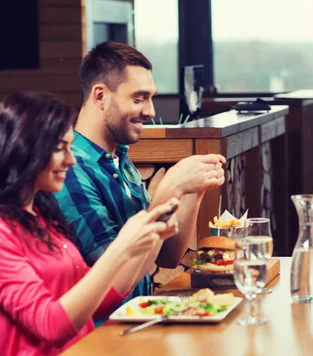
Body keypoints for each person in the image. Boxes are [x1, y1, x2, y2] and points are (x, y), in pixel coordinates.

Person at [0, 92, 179, 355]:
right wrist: (122, 247)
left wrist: (150, 238)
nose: (71, 160)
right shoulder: (4, 234)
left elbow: (100, 302)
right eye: (61, 148)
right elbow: (51, 325)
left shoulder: (42, 215)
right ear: (25, 148)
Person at [53, 41, 226, 310]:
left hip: (138, 319)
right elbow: (115, 276)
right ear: (100, 96)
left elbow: (166, 255)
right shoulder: (70, 169)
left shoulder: (119, 158)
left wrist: (192, 190)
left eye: (151, 97)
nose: (151, 111)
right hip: (101, 335)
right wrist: (169, 188)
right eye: (138, 98)